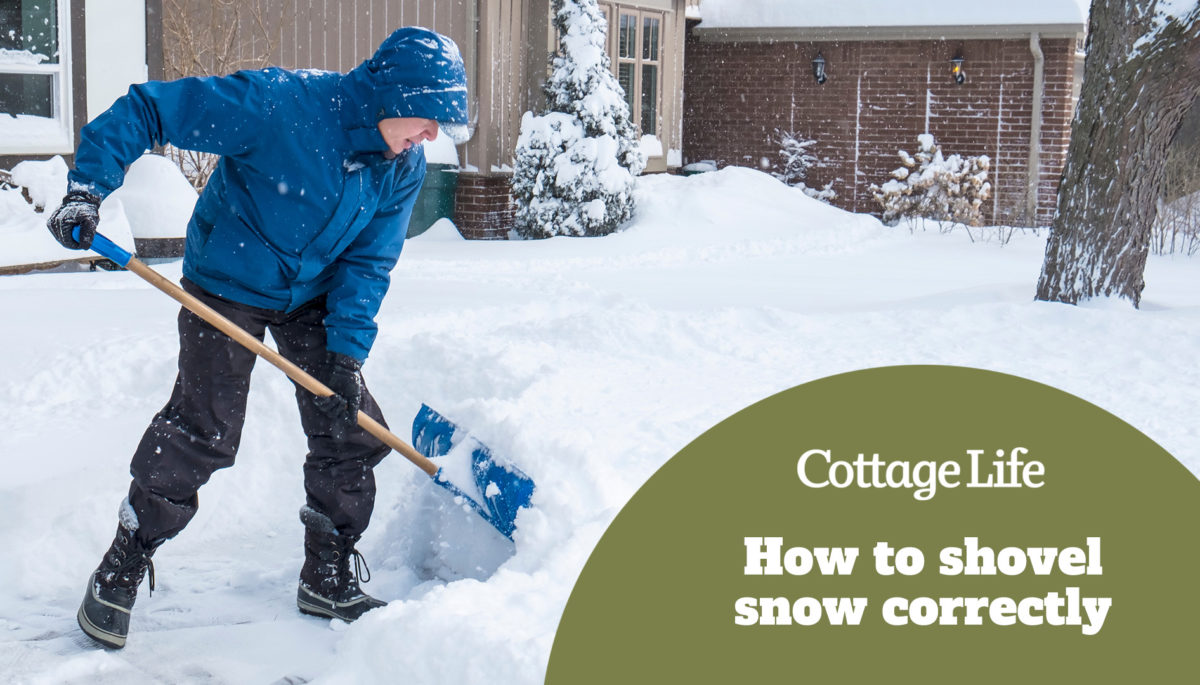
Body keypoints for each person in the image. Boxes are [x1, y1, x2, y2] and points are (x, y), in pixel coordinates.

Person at [45, 26, 469, 650]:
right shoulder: (280, 105)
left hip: (313, 291)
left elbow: (369, 263)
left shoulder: (401, 166)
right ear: (394, 96)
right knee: (204, 427)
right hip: (229, 279)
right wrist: (87, 190)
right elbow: (149, 108)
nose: (432, 135)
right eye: (428, 117)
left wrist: (346, 357)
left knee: (349, 424)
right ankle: (124, 560)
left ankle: (326, 575)